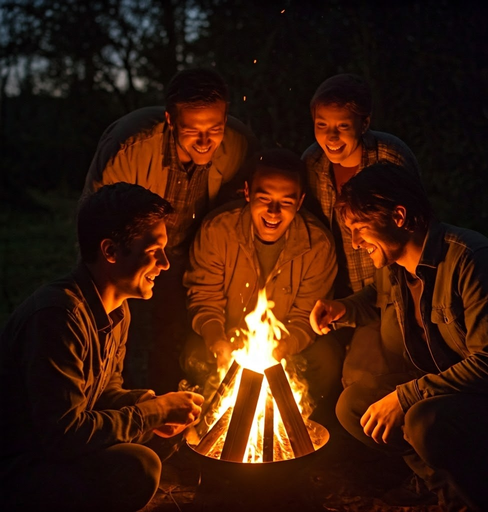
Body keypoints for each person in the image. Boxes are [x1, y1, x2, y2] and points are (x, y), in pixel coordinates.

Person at [310, 162, 488, 511]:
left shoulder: (472, 261)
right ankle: (446, 492)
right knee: (354, 404)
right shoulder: (395, 268)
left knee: (421, 421)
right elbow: (376, 299)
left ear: (399, 216)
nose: (356, 243)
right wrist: (342, 309)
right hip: (436, 388)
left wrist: (406, 396)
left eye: (359, 229)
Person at [0, 183, 204, 512]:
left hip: (60, 448)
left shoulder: (116, 310)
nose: (164, 264)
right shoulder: (58, 317)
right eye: (153, 251)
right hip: (22, 464)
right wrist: (152, 412)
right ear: (110, 251)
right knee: (139, 466)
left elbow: (102, 392)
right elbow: (63, 434)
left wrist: (148, 404)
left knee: (160, 438)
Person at [83, 67, 259, 394]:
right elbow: (94, 223)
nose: (207, 142)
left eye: (215, 128)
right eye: (193, 131)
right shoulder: (129, 150)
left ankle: (170, 404)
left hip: (192, 253)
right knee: (122, 333)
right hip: (134, 253)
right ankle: (115, 401)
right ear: (170, 120)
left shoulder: (238, 144)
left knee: (173, 338)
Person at [182, 148, 342, 416]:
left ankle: (293, 422)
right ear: (247, 193)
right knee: (194, 355)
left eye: (286, 202)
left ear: (300, 201)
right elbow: (203, 299)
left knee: (326, 361)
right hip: (228, 340)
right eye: (264, 198)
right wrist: (218, 341)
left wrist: (278, 350)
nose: (273, 211)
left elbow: (307, 318)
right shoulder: (218, 230)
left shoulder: (318, 245)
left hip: (287, 347)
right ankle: (215, 419)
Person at [302, 73, 422, 388]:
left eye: (342, 126)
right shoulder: (312, 163)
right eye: (321, 125)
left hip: (391, 295)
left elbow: (415, 232)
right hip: (341, 294)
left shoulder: (390, 157)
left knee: (363, 378)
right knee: (314, 373)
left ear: (364, 123)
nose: (331, 137)